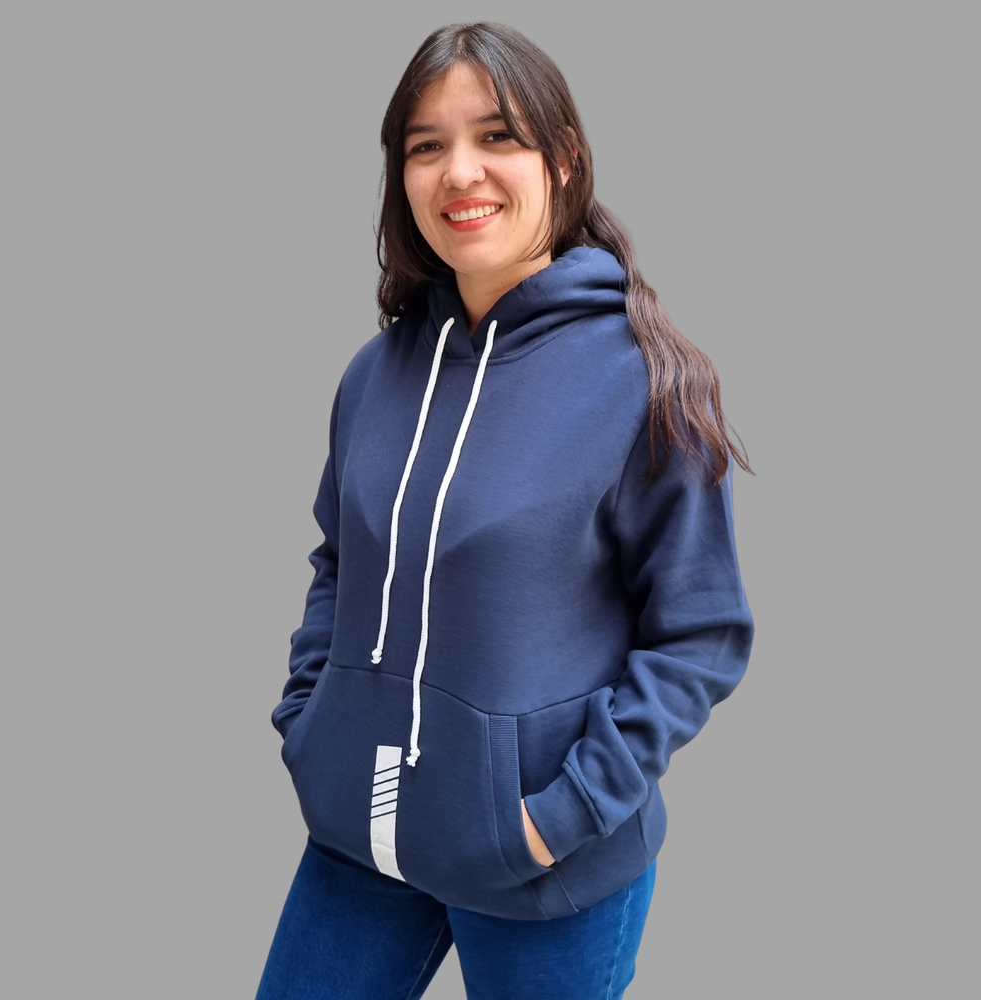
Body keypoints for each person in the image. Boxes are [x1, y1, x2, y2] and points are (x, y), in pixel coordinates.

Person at [255, 21, 754, 1000]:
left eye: (497, 136)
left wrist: (554, 818)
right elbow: (339, 561)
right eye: (426, 145)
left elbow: (699, 635)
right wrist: (313, 725)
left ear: (561, 160)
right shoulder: (374, 373)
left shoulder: (642, 381)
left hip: (544, 871)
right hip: (361, 833)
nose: (459, 171)